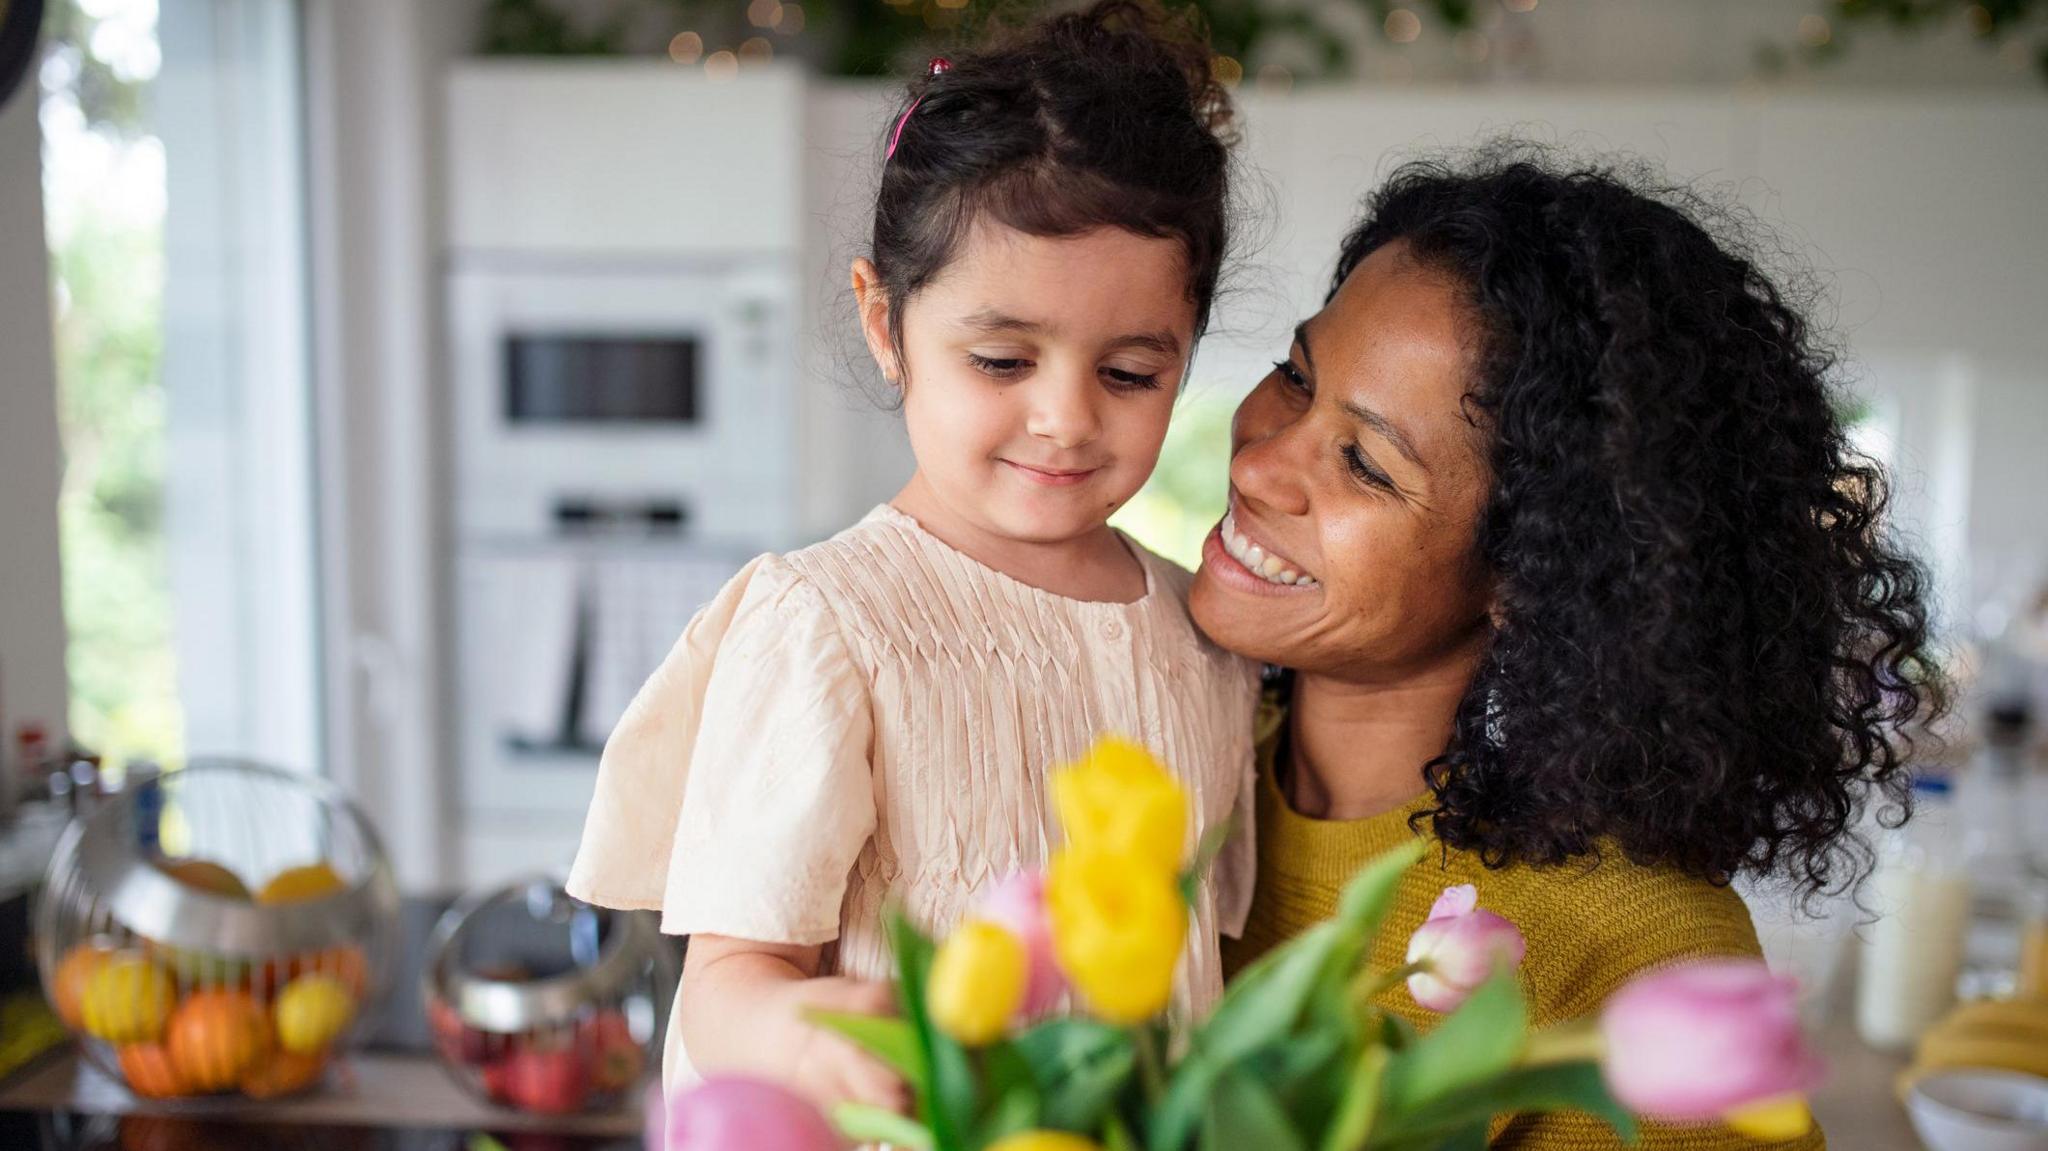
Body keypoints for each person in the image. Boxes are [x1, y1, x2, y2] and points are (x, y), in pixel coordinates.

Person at [567, 1, 1258, 1112]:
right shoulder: (824, 625)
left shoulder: (1199, 631)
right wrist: (802, 1036)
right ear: (885, 323)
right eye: (999, 359)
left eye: (1129, 373)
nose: (1063, 418)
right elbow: (725, 981)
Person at [1193, 148, 1945, 1149]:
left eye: (1366, 465)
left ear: (1529, 573)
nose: (1257, 460)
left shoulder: (1635, 953)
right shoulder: (1159, 745)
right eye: (1296, 374)